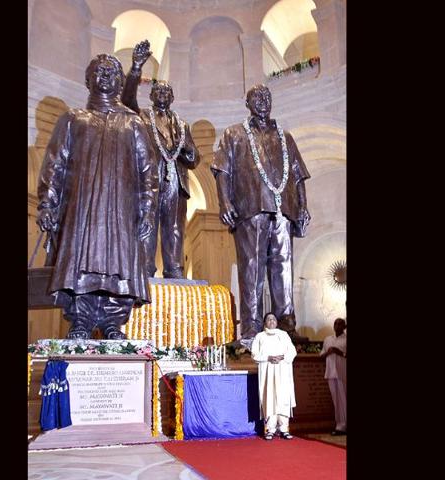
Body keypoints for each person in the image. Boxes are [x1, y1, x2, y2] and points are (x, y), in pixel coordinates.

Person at [36, 53, 158, 339]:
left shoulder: (133, 123)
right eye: (100, 71)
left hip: (121, 211)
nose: (107, 76)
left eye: (113, 72)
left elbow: (148, 173)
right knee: (80, 264)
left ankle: (113, 322)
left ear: (120, 82)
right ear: (88, 80)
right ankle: (81, 320)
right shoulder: (73, 119)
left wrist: (148, 210)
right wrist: (47, 205)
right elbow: (55, 165)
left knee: (120, 267)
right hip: (82, 210)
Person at [211, 84, 311, 347]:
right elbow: (222, 170)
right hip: (251, 208)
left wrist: (303, 205)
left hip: (283, 210)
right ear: (248, 103)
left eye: (267, 97)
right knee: (251, 269)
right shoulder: (234, 134)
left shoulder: (285, 136)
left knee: (284, 267)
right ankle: (251, 329)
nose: (263, 101)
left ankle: (286, 324)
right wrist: (224, 203)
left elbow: (299, 175)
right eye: (257, 97)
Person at [121, 40, 200, 278]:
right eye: (159, 91)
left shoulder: (183, 124)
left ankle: (174, 269)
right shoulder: (143, 116)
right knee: (148, 222)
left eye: (167, 91)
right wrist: (136, 68)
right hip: (150, 179)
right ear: (152, 95)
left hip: (176, 181)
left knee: (175, 227)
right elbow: (126, 101)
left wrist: (187, 150)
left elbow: (194, 158)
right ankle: (145, 268)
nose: (163, 94)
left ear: (173, 97)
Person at [251, 312, 297, 440]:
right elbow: (254, 354)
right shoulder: (260, 337)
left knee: (282, 398)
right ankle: (270, 429)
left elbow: (292, 351)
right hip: (268, 371)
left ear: (277, 322)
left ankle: (284, 428)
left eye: (273, 319)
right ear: (265, 323)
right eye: (269, 319)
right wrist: (268, 358)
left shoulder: (284, 335)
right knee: (269, 398)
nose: (271, 321)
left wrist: (282, 357)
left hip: (282, 370)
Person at [319, 318, 347, 435]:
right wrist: (328, 352)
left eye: (340, 324)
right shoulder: (328, 339)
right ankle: (339, 424)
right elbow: (321, 356)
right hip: (330, 373)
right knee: (336, 400)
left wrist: (338, 351)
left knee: (343, 399)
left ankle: (344, 426)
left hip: (342, 372)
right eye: (335, 323)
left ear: (344, 327)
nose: (337, 325)